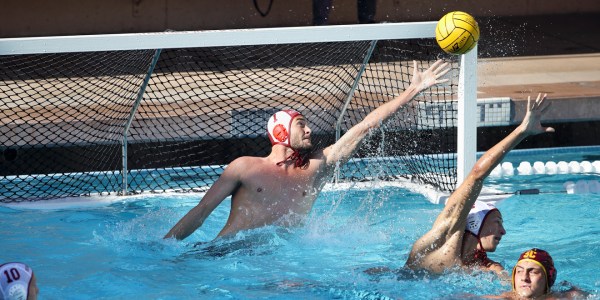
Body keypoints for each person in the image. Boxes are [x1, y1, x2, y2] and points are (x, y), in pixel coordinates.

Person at [164, 59, 450, 240]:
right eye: (300, 124)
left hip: (283, 258)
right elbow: (201, 212)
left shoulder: (318, 166)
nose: (309, 129)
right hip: (227, 254)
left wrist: (413, 90)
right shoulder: (244, 167)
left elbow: (364, 126)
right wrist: (164, 249)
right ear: (279, 132)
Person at [405, 93, 554, 274]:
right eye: (498, 222)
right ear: (476, 224)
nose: (503, 231)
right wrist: (520, 132)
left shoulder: (487, 268)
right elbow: (476, 175)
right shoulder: (439, 241)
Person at [488, 248, 589, 299]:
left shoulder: (568, 297)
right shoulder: (503, 298)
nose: (524, 277)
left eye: (533, 272)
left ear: (549, 278)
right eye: (519, 271)